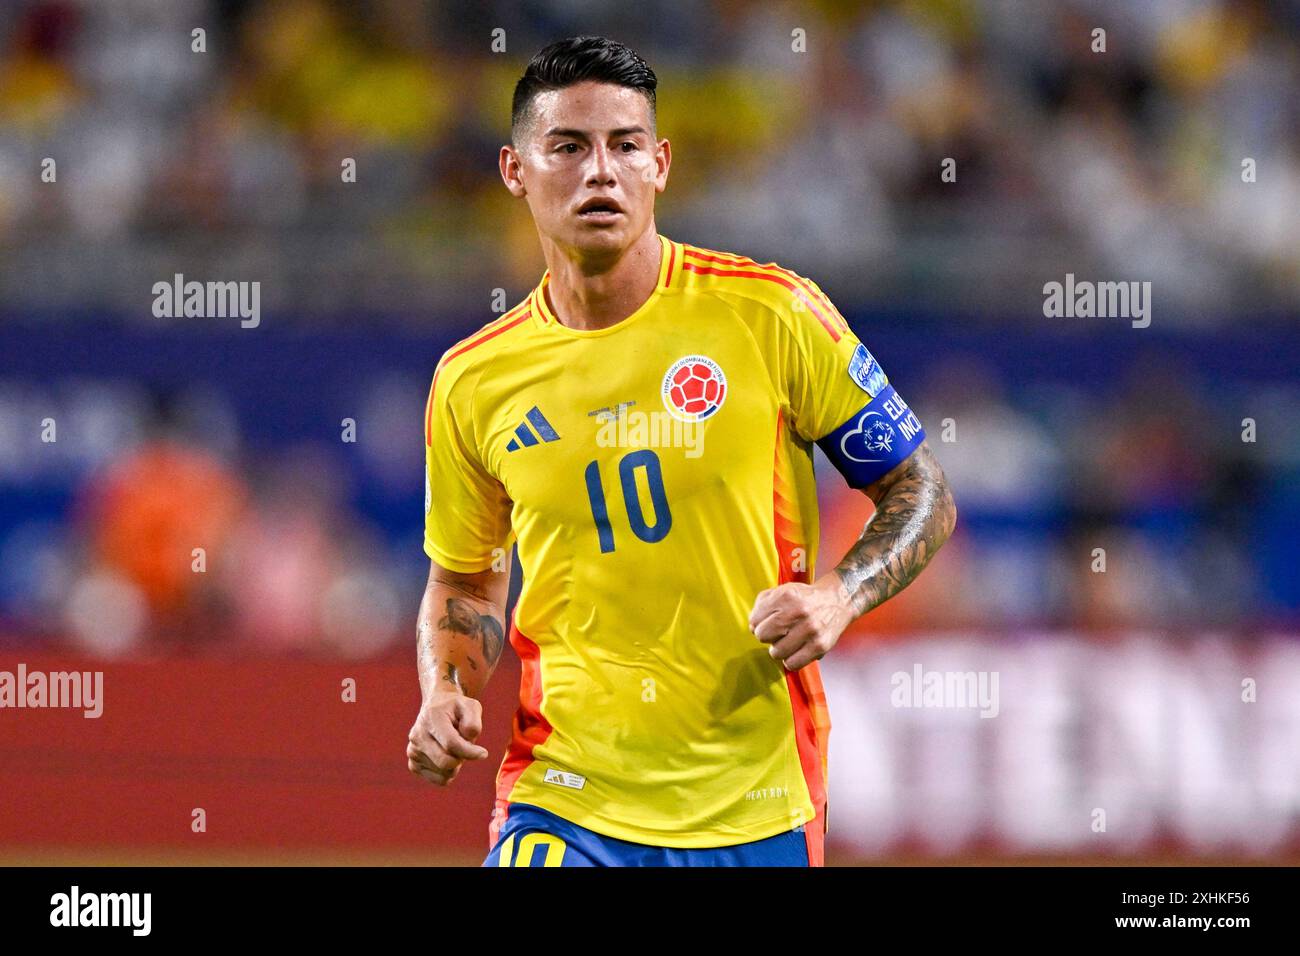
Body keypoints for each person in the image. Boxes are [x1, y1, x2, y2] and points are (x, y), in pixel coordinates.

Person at [407, 35, 956, 867]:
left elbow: (921, 490)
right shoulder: (472, 380)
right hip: (564, 791)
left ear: (660, 163)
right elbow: (466, 575)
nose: (601, 171)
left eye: (625, 145)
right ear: (515, 170)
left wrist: (840, 595)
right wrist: (444, 690)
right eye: (568, 146)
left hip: (756, 799)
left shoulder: (772, 316)